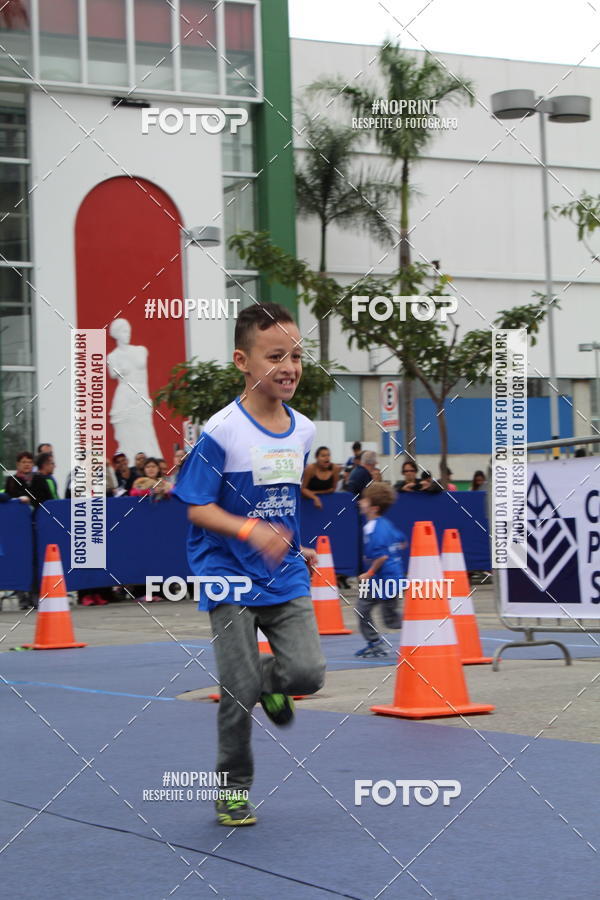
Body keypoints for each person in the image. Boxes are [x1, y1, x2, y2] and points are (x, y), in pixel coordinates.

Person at [173, 301, 326, 827]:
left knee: (308, 672)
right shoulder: (222, 430)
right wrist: (251, 531)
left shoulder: (303, 430)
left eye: (297, 356)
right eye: (274, 355)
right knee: (236, 691)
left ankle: (271, 683)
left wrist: (293, 543)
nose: (289, 366)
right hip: (226, 572)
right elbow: (196, 505)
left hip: (283, 571)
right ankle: (233, 788)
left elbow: (280, 497)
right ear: (243, 361)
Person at [355, 483, 407, 657]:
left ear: (374, 508)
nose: (360, 502)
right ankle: (374, 642)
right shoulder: (386, 524)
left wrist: (368, 573)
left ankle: (420, 623)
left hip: (383, 580)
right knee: (362, 609)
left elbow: (382, 556)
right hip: (388, 578)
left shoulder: (374, 528)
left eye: (364, 500)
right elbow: (402, 541)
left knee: (390, 621)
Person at [107, 317, 162, 463]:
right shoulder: (112, 356)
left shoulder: (140, 351)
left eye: (128, 331)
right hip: (124, 396)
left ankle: (152, 464)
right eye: (124, 331)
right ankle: (131, 463)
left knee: (145, 432)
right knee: (125, 435)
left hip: (140, 393)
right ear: (117, 334)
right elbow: (113, 373)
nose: (127, 334)